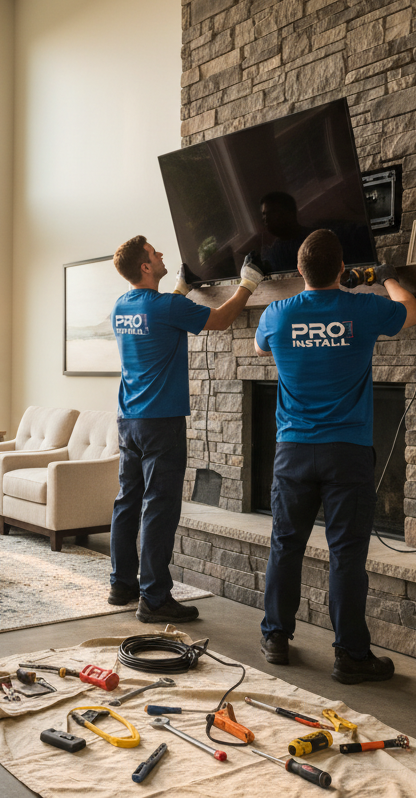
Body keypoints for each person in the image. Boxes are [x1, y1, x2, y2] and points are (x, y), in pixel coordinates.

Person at [253, 229, 416, 683]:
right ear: (343, 269)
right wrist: (386, 277)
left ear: (301, 271)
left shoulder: (276, 312)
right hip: (346, 452)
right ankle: (350, 654)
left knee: (285, 545)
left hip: (293, 451)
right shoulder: (362, 309)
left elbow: (259, 346)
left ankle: (275, 637)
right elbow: (412, 311)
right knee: (346, 555)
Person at [108, 235, 262, 623]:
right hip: (161, 421)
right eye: (154, 254)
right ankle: (155, 598)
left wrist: (183, 286)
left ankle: (121, 583)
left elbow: (156, 318)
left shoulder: (122, 306)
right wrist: (248, 282)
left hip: (129, 420)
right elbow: (222, 319)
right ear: (145, 267)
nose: (161, 256)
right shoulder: (169, 306)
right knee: (160, 508)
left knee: (128, 501)